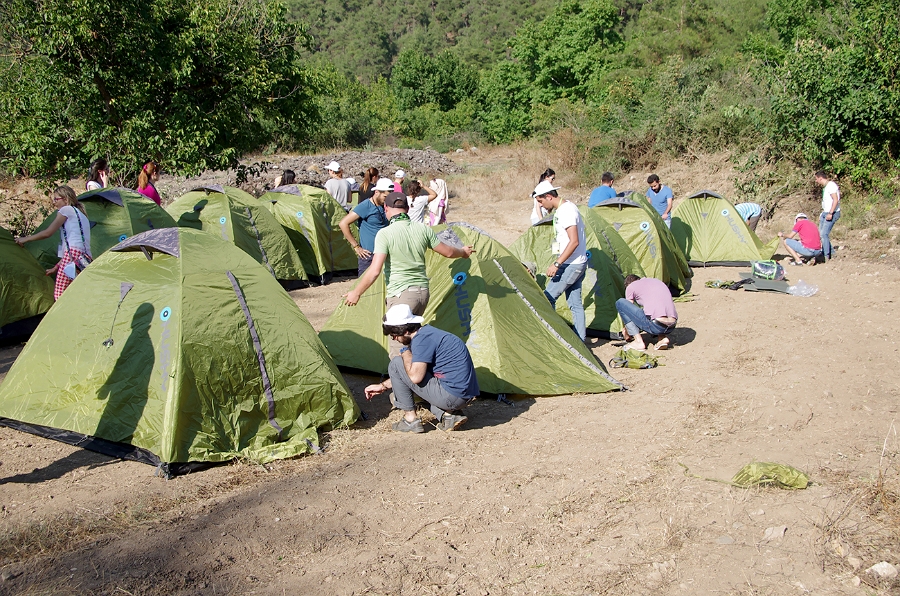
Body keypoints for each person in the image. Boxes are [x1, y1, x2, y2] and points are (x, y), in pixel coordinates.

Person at [343, 192, 474, 357]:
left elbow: (375, 270)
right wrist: (463, 252)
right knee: (413, 343)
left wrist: (356, 292)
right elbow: (448, 252)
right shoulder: (423, 229)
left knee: (399, 350)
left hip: (401, 295)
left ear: (386, 208)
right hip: (422, 294)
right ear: (407, 208)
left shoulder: (385, 233)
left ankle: (405, 374)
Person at [364, 304, 479, 433]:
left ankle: (410, 420)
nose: (394, 339)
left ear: (405, 331)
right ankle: (449, 416)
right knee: (413, 381)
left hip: (452, 395)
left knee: (396, 363)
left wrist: (405, 352)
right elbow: (408, 375)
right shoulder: (428, 333)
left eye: (394, 335)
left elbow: (415, 377)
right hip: (462, 394)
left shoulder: (421, 341)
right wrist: (383, 386)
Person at [532, 179, 588, 341]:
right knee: (575, 304)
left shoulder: (566, 211)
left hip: (571, 264)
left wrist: (557, 264)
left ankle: (553, 339)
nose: (541, 205)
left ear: (549, 196)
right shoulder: (564, 209)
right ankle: (580, 342)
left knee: (548, 298)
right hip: (576, 262)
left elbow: (574, 241)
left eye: (541, 201)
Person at [15, 185, 92, 300]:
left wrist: (25, 239)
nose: (54, 202)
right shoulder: (81, 215)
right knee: (74, 294)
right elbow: (74, 250)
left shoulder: (66, 210)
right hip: (84, 258)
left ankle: (60, 312)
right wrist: (55, 268)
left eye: (56, 199)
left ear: (65, 199)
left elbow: (48, 233)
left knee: (59, 295)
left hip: (73, 256)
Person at [339, 177, 392, 276]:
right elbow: (343, 223)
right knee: (364, 283)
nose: (386, 200)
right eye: (385, 197)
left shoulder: (385, 206)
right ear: (377, 192)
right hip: (368, 255)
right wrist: (356, 246)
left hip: (384, 253)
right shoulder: (365, 206)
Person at [615, 274, 678, 351]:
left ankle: (638, 342)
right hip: (672, 325)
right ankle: (662, 338)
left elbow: (627, 309)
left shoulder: (630, 287)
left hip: (656, 325)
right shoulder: (656, 281)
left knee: (620, 303)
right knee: (655, 310)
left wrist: (626, 330)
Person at [814, 171, 840, 260]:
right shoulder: (826, 187)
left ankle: (826, 255)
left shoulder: (831, 185)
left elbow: (835, 200)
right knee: (821, 234)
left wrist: (830, 213)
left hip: (832, 213)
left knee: (824, 234)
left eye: (816, 179)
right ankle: (831, 252)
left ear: (820, 178)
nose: (816, 181)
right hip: (826, 212)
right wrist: (823, 213)